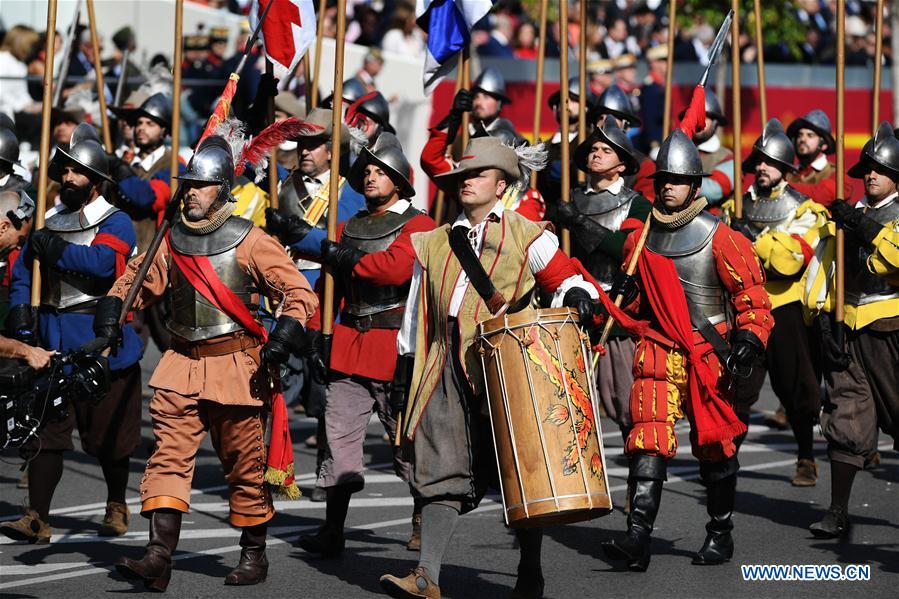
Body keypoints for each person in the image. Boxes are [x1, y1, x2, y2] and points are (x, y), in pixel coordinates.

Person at [379, 136, 602, 599]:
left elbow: (566, 280)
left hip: (506, 370)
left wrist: (579, 295)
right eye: (462, 175)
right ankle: (427, 577)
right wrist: (404, 366)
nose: (466, 182)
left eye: (477, 174)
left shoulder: (526, 233)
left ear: (501, 184)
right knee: (442, 470)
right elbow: (416, 312)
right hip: (442, 368)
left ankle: (530, 568)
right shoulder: (432, 242)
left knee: (522, 472)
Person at [108, 134, 318, 590]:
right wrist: (114, 306)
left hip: (236, 367)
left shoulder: (250, 239)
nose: (191, 193)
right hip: (181, 363)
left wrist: (285, 332)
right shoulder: (172, 237)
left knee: (244, 465)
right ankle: (157, 555)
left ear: (222, 189)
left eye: (200, 186)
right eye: (187, 185)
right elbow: (139, 277)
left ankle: (254, 552)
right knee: (167, 459)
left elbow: (300, 292)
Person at [601, 129, 772, 571]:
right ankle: (637, 537)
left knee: (715, 447)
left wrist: (750, 340)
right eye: (662, 179)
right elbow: (638, 303)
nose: (667, 187)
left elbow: (752, 298)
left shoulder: (722, 236)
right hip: (657, 346)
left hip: (707, 353)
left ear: (695, 186)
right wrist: (628, 291)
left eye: (676, 180)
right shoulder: (641, 237)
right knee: (648, 441)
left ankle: (720, 531)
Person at [1, 124, 143, 544]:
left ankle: (116, 501)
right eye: (63, 171)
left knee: (108, 438)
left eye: (76, 172)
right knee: (46, 429)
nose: (67, 178)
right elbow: (24, 271)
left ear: (95, 181)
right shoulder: (47, 221)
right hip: (51, 334)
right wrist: (23, 316)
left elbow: (103, 265)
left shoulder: (117, 222)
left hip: (99, 338)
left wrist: (58, 249)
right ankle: (37, 517)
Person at [297, 134, 436, 557]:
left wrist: (327, 250)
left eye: (381, 171)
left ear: (399, 179)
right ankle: (332, 530)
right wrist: (316, 334)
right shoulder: (345, 227)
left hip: (397, 348)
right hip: (348, 346)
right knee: (337, 443)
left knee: (408, 449)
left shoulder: (421, 225)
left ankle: (422, 518)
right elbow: (329, 289)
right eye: (368, 171)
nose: (372, 177)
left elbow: (390, 271)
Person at [264, 107, 366, 500]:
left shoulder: (350, 196)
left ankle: (328, 473)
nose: (305, 151)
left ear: (332, 150)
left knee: (326, 393)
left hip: (326, 296)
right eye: (302, 144)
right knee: (275, 387)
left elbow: (344, 249)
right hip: (285, 296)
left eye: (315, 144)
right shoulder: (283, 186)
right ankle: (272, 470)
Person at [724, 119, 828, 486]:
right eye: (759, 161)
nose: (762, 167)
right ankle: (727, 462)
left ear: (784, 168)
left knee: (798, 391)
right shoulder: (736, 205)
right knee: (738, 392)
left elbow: (789, 262)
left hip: (784, 309)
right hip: (743, 308)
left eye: (770, 162)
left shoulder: (803, 210)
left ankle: (805, 457)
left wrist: (750, 237)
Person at [807, 122, 899, 538]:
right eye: (866, 168)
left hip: (891, 327)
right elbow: (825, 271)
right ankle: (838, 510)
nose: (870, 175)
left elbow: (894, 262)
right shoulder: (848, 213)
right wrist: (825, 323)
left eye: (880, 168)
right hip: (848, 325)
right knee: (846, 417)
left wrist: (859, 226)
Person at [554, 117, 652, 442]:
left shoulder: (637, 203)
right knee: (574, 402)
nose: (596, 154)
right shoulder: (572, 196)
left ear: (621, 164)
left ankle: (639, 472)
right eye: (593, 149)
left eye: (605, 150)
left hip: (617, 304)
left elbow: (626, 249)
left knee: (625, 401)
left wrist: (577, 222)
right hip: (575, 300)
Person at [589, 84, 656, 200]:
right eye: (601, 118)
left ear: (625, 125)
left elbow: (646, 205)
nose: (606, 122)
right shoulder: (586, 159)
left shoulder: (644, 166)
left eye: (613, 117)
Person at [678, 90, 733, 210]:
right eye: (695, 117)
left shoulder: (727, 157)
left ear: (715, 123)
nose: (698, 122)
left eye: (704, 118)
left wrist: (677, 181)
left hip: (711, 223)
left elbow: (714, 191)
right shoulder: (677, 151)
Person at [785, 110, 851, 207]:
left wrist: (782, 187)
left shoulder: (837, 175)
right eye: (800, 135)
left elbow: (822, 196)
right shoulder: (788, 174)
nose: (802, 139)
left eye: (810, 135)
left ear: (824, 144)